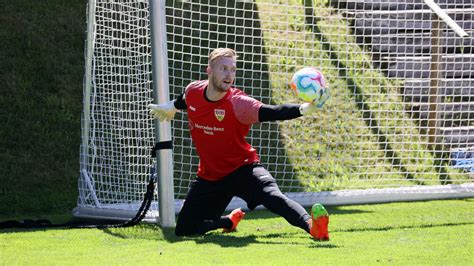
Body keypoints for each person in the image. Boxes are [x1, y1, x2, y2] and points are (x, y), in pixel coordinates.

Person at [148, 48, 330, 240]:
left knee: (273, 197)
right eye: (223, 68)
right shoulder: (193, 90)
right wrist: (172, 107)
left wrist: (305, 109)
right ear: (209, 70)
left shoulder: (239, 103)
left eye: (233, 69)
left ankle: (313, 227)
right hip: (211, 176)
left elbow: (273, 111)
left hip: (243, 168)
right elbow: (185, 99)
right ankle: (228, 222)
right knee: (184, 229)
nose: (229, 75)